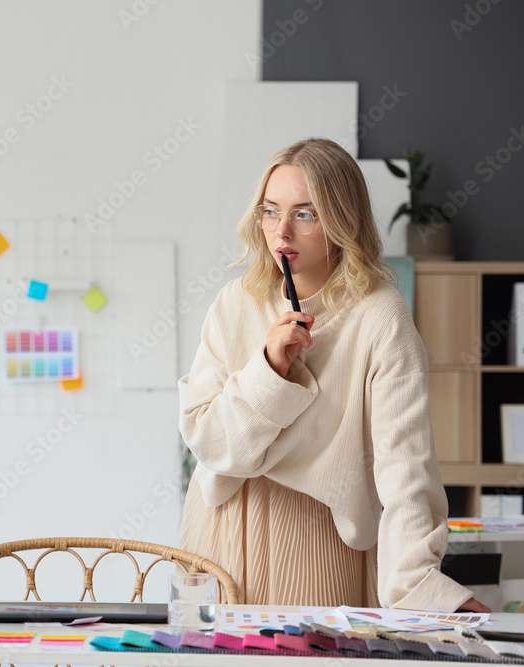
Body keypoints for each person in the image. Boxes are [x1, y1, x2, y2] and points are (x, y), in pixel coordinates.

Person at [178, 138, 489, 612]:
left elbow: (404, 468)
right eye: (270, 210)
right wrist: (270, 369)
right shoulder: (235, 302)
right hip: (218, 535)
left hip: (320, 549)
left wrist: (420, 590)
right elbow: (208, 439)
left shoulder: (381, 317)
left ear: (343, 220)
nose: (281, 231)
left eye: (305, 214)